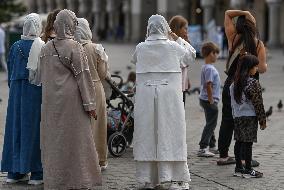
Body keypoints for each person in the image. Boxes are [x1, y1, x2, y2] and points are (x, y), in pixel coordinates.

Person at [39, 9, 102, 189]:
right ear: (71, 24)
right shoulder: (75, 47)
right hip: (72, 101)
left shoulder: (45, 48)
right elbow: (83, 76)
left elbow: (41, 76)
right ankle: (78, 179)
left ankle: (55, 180)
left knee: (55, 140)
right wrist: (90, 104)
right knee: (77, 140)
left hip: (51, 101)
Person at [132, 14, 192, 190]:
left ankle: (149, 179)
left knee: (148, 135)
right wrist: (176, 37)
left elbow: (135, 59)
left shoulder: (141, 48)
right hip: (170, 99)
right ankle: (175, 178)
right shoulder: (173, 47)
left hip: (146, 98)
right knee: (171, 133)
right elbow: (191, 55)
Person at [217, 10, 267, 165]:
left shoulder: (233, 38)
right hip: (249, 85)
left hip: (231, 84)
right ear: (252, 25)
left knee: (227, 119)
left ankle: (223, 155)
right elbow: (263, 68)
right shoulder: (258, 44)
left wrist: (243, 12)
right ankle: (245, 158)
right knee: (246, 121)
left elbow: (227, 14)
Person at [1, 13, 44, 185]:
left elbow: (10, 70)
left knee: (15, 128)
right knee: (34, 130)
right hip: (35, 93)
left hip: (16, 93)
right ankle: (36, 172)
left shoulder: (15, 46)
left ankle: (14, 172)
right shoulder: (42, 46)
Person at [75, 17, 109, 171]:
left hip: (76, 89)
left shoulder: (72, 47)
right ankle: (99, 160)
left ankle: (80, 160)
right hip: (95, 87)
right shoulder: (96, 48)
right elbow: (102, 74)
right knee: (98, 125)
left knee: (79, 126)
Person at [230, 54, 266, 178]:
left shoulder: (234, 84)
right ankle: (249, 169)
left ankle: (239, 168)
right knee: (248, 143)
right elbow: (258, 103)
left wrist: (235, 115)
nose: (256, 69)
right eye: (255, 66)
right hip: (250, 117)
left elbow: (232, 104)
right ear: (249, 68)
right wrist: (262, 120)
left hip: (238, 116)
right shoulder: (253, 83)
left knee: (239, 141)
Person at [197, 42, 221, 157]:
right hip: (209, 100)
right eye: (215, 53)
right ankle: (203, 147)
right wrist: (211, 100)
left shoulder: (205, 67)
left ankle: (212, 145)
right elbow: (209, 85)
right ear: (210, 54)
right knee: (211, 124)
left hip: (205, 99)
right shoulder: (210, 69)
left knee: (210, 122)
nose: (217, 56)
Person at [169, 15, 196, 105]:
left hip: (181, 85)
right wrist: (184, 43)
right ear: (178, 28)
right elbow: (184, 61)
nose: (186, 31)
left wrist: (187, 80)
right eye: (185, 28)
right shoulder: (172, 44)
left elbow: (185, 64)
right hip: (175, 86)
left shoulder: (181, 42)